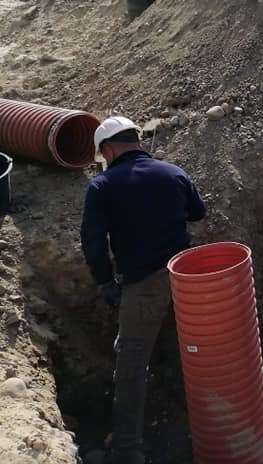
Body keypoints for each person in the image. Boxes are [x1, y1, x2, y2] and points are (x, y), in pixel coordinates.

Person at [80, 116, 206, 464]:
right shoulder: (173, 172)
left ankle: (127, 450)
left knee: (132, 364)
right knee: (202, 352)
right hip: (190, 277)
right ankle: (212, 424)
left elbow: (92, 244)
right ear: (137, 140)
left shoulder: (102, 186)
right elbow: (198, 212)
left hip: (145, 284)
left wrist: (106, 281)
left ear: (107, 149)